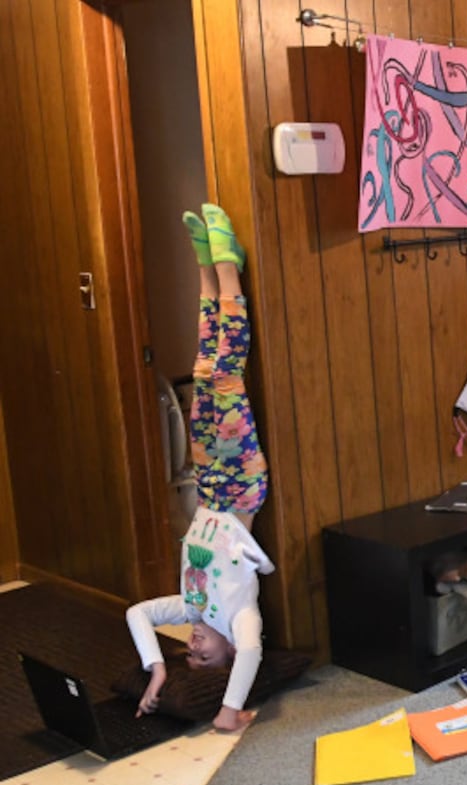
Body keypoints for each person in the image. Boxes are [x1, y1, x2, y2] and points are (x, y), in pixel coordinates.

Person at [126, 202, 272, 733]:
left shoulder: (190, 608)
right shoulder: (241, 621)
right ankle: (226, 266)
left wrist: (158, 668)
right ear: (229, 650)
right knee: (224, 375)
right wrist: (229, 711)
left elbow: (137, 614)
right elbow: (252, 654)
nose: (198, 649)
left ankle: (207, 268)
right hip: (239, 486)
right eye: (205, 658)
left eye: (192, 654)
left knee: (202, 369)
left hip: (209, 482)